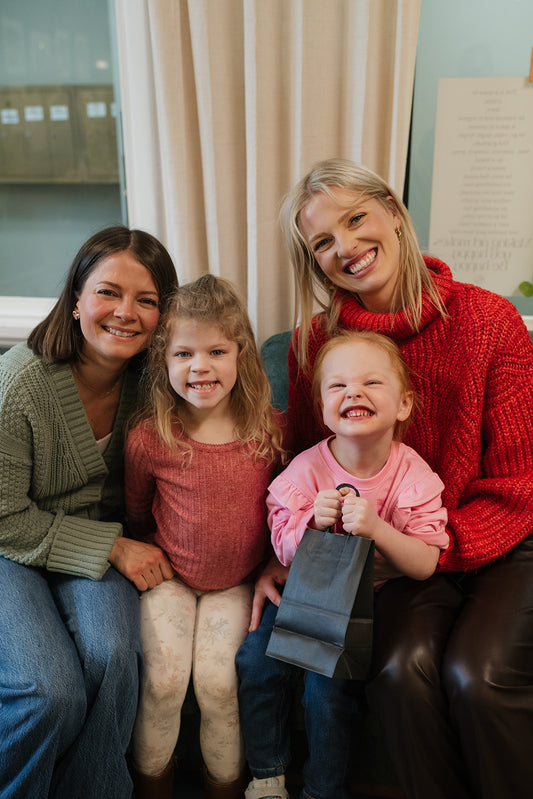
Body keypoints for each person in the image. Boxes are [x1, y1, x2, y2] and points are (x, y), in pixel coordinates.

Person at [250, 156, 533, 799]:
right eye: (323, 241)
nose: (345, 247)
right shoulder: (312, 345)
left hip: (493, 542)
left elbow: (520, 484)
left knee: (477, 676)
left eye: (355, 219)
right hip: (394, 551)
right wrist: (279, 550)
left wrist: (433, 545)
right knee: (402, 672)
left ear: (393, 215)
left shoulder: (489, 321)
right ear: (313, 261)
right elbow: (304, 464)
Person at [0, 225, 179, 799]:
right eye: (108, 292)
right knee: (50, 692)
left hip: (90, 543)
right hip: (10, 543)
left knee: (114, 662)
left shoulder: (157, 385)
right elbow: (4, 519)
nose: (126, 312)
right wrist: (113, 546)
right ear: (76, 300)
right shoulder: (19, 386)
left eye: (147, 300)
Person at [237, 329, 448, 799]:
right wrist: (310, 521)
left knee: (327, 690)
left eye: (372, 383)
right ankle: (266, 774)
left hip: (364, 605)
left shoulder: (411, 473)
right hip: (301, 591)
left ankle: (323, 790)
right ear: (322, 408)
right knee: (254, 662)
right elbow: (284, 551)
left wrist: (379, 530)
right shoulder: (307, 469)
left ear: (404, 404)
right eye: (337, 386)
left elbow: (425, 564)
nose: (353, 392)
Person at [123, 274, 286, 799]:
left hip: (237, 584)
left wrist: (275, 562)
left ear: (241, 355)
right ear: (163, 362)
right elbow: (135, 512)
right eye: (184, 353)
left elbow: (293, 506)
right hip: (170, 578)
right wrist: (146, 554)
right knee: (164, 682)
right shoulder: (151, 436)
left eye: (217, 350)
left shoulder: (273, 432)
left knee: (218, 686)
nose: (200, 367)